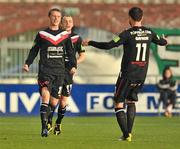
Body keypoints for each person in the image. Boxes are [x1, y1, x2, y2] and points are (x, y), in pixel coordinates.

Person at [83, 7, 167, 141]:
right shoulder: (149, 32)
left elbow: (109, 45)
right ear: (142, 17)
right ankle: (128, 133)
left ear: (130, 18)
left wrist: (91, 42)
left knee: (118, 103)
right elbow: (162, 42)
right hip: (141, 74)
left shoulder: (127, 34)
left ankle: (126, 134)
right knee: (131, 101)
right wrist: (165, 40)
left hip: (127, 74)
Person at [23, 8, 77, 137]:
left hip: (59, 72)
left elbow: (70, 52)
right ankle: (44, 128)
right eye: (54, 16)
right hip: (45, 71)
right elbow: (34, 50)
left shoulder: (65, 35)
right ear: (49, 17)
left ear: (60, 18)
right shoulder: (42, 34)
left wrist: (72, 66)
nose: (56, 18)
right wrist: (27, 63)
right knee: (45, 96)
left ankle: (49, 121)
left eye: (58, 16)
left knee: (54, 103)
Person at [47, 15, 85, 135]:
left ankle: (58, 123)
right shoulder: (57, 37)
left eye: (70, 21)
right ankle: (48, 122)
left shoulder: (77, 38)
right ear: (61, 24)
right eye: (65, 21)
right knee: (54, 102)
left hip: (68, 74)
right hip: (56, 71)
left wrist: (74, 65)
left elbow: (82, 55)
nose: (68, 23)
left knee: (63, 102)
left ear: (73, 24)